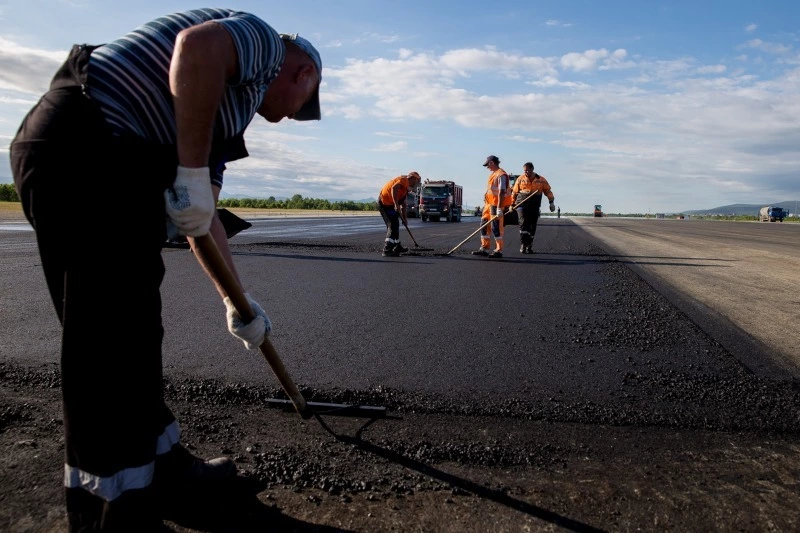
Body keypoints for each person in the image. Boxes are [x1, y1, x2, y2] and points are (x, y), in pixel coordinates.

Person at [9, 9, 322, 531]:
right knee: (104, 343)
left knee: (135, 330)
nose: (290, 117)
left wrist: (237, 303)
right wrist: (193, 174)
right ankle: (113, 513)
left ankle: (161, 470)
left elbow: (202, 221)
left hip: (115, 164)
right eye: (300, 109)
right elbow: (197, 48)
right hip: (85, 144)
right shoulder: (262, 41)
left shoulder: (224, 111)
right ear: (304, 75)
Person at [510, 162, 556, 254]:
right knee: (523, 223)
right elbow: (514, 192)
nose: (525, 172)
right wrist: (511, 204)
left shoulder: (541, 180)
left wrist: (551, 203)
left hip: (534, 205)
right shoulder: (520, 179)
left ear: (532, 169)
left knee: (532, 225)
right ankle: (523, 244)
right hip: (522, 204)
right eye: (524, 170)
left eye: (527, 170)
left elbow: (548, 191)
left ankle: (529, 245)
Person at [472, 155, 512, 258]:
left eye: (487, 165)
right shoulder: (493, 174)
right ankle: (484, 248)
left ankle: (499, 250)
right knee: (484, 225)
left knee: (496, 228)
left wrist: (499, 208)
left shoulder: (501, 175)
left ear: (492, 163)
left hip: (496, 205)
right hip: (488, 205)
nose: (487, 167)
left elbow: (502, 192)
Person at [378, 171, 422, 256]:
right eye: (417, 181)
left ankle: (397, 246)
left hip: (390, 205)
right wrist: (395, 203)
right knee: (392, 224)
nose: (417, 184)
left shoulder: (405, 190)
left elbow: (403, 204)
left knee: (396, 224)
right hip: (384, 204)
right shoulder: (404, 180)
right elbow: (394, 188)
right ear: (412, 178)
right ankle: (387, 249)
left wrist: (404, 219)